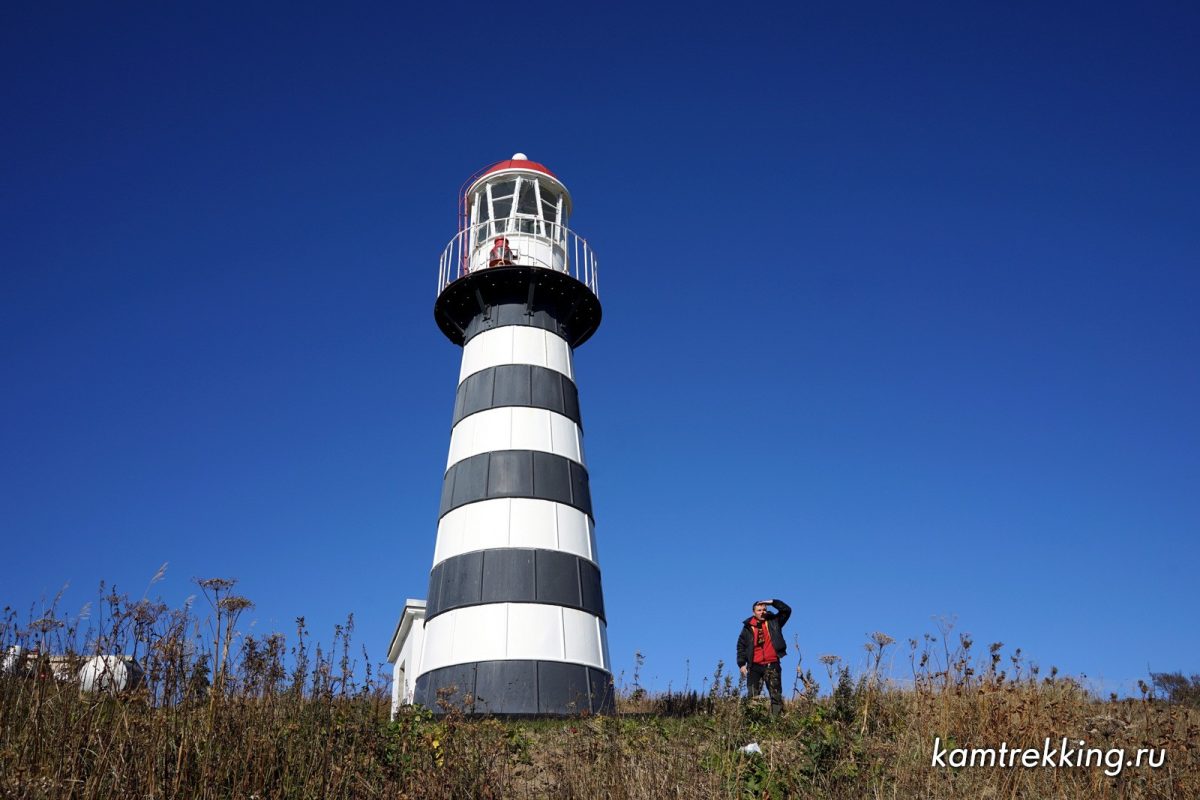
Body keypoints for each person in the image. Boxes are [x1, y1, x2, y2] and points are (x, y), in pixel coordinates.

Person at [736, 598, 791, 717]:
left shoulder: (774, 621)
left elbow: (787, 610)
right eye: (759, 610)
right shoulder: (747, 627)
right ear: (753, 612)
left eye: (764, 609)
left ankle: (775, 723)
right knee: (753, 697)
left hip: (772, 664)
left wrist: (772, 602)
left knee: (775, 695)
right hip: (754, 666)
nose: (762, 612)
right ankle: (753, 722)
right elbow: (741, 646)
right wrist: (741, 664)